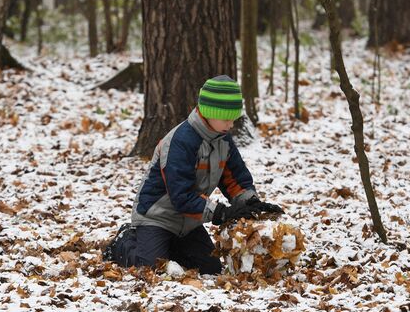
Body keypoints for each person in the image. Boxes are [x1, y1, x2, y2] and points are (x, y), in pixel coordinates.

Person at [102, 75, 283, 275]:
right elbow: (181, 195)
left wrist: (250, 202)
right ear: (208, 113)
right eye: (226, 118)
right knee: (152, 268)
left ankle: (169, 246)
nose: (231, 124)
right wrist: (221, 213)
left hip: (188, 223)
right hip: (156, 217)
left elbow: (235, 178)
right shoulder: (181, 141)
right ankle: (125, 241)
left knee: (210, 268)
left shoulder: (223, 140)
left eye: (234, 118)